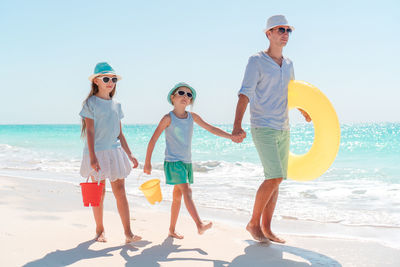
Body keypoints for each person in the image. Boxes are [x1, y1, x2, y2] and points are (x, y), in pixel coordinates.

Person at [232, 15, 311, 243]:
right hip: (263, 125)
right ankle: (253, 223)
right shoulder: (256, 61)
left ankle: (267, 228)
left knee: (277, 179)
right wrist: (237, 125)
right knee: (274, 176)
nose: (285, 33)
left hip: (283, 127)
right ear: (268, 34)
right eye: (280, 29)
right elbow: (245, 92)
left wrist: (304, 111)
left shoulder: (289, 64)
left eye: (288, 30)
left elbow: (292, 93)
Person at [144, 82, 233, 239]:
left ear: (190, 101)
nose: (185, 96)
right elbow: (153, 140)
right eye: (181, 93)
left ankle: (171, 229)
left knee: (177, 197)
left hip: (186, 162)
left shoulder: (193, 117)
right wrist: (147, 162)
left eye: (189, 95)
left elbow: (211, 129)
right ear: (173, 97)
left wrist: (230, 136)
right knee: (187, 190)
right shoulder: (167, 118)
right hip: (173, 162)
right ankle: (199, 224)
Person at [79, 62, 142, 244]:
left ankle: (128, 233)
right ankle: (100, 230)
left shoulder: (117, 104)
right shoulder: (91, 103)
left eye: (113, 79)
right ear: (96, 81)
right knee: (98, 192)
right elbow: (89, 131)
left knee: (120, 191)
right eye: (106, 79)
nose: (110, 82)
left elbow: (119, 133)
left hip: (115, 152)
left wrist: (130, 155)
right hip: (97, 152)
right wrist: (92, 157)